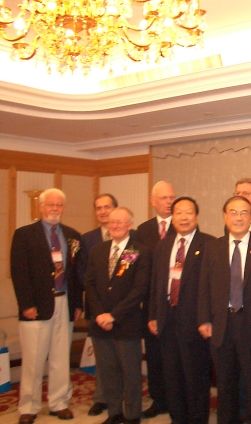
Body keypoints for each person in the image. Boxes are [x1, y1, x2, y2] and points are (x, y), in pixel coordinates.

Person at [198, 196, 251, 424]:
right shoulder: (212, 248)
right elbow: (203, 287)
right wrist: (204, 319)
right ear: (225, 216)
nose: (238, 217)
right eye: (233, 212)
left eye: (244, 212)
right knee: (225, 383)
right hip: (222, 325)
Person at [10, 188, 82, 424]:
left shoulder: (72, 236)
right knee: (34, 360)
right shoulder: (24, 234)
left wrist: (77, 303)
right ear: (41, 207)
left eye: (59, 205)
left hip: (65, 303)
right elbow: (19, 272)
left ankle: (59, 402)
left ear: (64, 208)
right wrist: (26, 304)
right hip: (36, 307)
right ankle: (28, 407)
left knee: (61, 357)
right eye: (50, 204)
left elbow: (76, 274)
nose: (55, 208)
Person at [148, 197, 215, 424]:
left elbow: (213, 287)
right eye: (178, 213)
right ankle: (177, 418)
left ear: (196, 216)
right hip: (167, 318)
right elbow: (156, 283)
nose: (183, 217)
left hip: (195, 321)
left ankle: (197, 419)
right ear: (172, 217)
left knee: (195, 376)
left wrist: (207, 318)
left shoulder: (209, 244)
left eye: (188, 212)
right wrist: (153, 315)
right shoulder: (163, 245)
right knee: (172, 375)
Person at [85, 207, 150, 424]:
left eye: (120, 222)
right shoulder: (98, 250)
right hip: (100, 323)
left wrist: (113, 315)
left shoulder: (140, 251)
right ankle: (114, 412)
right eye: (112, 222)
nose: (115, 226)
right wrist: (100, 314)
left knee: (131, 373)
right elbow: (89, 284)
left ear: (129, 225)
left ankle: (132, 414)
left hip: (127, 323)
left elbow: (139, 289)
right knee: (108, 371)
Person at [135, 180, 175, 418]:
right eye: (164, 198)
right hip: (151, 303)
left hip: (176, 301)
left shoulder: (182, 226)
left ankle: (176, 398)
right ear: (153, 202)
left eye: (172, 197)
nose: (169, 202)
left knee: (173, 354)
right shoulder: (143, 230)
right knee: (154, 354)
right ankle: (158, 399)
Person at [78, 193, 118, 417]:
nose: (103, 211)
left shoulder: (131, 236)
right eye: (99, 208)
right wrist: (99, 303)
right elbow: (83, 274)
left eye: (107, 207)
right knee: (102, 357)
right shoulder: (87, 239)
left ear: (115, 209)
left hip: (121, 309)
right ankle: (101, 398)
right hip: (96, 307)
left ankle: (122, 397)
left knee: (122, 357)